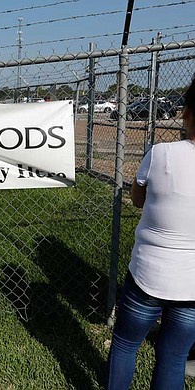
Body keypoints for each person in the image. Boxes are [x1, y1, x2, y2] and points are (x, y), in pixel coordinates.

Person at [107, 77, 195, 389]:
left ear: (185, 113)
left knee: (126, 343)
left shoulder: (162, 153)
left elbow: (137, 198)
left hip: (150, 273)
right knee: (173, 356)